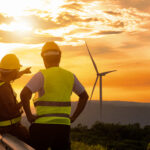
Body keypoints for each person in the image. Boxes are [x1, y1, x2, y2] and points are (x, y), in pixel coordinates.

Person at [20, 41, 89, 150]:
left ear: (43, 58)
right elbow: (84, 96)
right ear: (59, 57)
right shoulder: (70, 76)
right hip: (63, 127)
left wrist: (29, 115)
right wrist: (73, 117)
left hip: (42, 127)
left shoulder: (41, 75)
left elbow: (24, 94)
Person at [0, 54, 31, 143]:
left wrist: (23, 72)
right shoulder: (4, 89)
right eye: (17, 70)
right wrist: (24, 100)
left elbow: (13, 75)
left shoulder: (2, 82)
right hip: (11, 129)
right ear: (12, 72)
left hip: (4, 129)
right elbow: (12, 110)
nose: (18, 72)